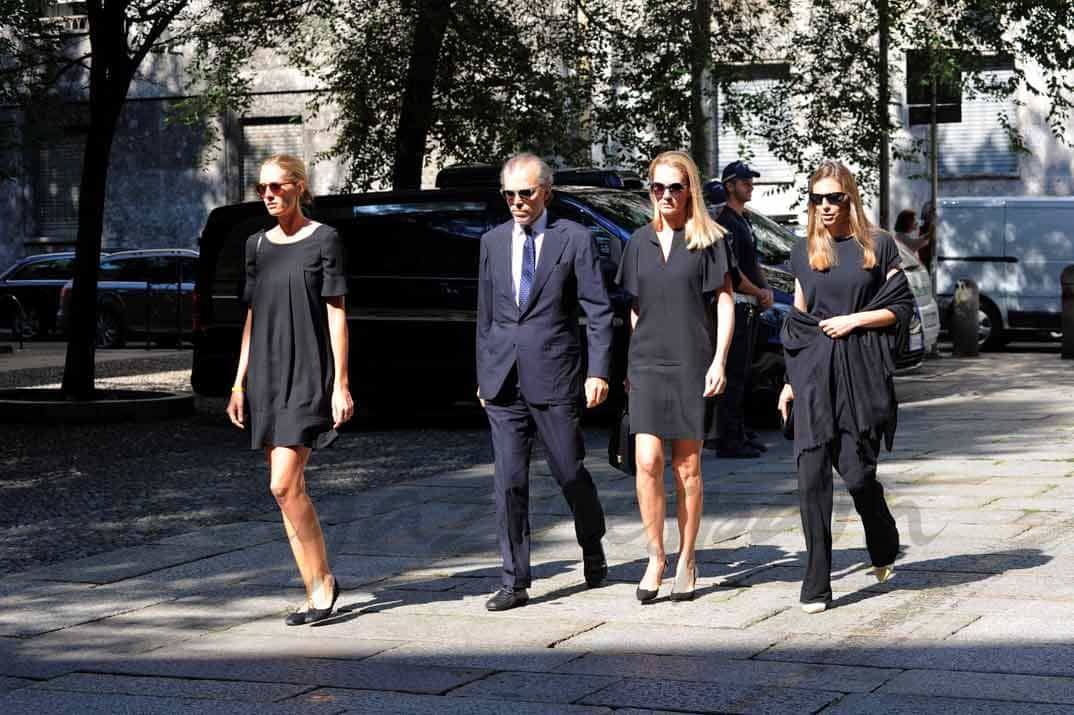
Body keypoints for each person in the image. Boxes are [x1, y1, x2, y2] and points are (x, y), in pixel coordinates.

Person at [476, 153, 613, 612]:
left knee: (570, 472)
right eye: (509, 194)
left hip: (555, 375)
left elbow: (597, 311)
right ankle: (514, 581)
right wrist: (483, 373)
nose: (517, 202)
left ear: (546, 192)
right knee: (509, 482)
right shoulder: (493, 242)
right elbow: (486, 315)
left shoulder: (572, 238)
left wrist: (598, 371)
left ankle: (592, 544)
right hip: (503, 381)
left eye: (526, 193)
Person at [777, 160, 915, 614]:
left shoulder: (878, 246)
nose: (826, 207)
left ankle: (882, 535)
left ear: (850, 197)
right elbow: (797, 321)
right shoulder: (803, 251)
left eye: (834, 197)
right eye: (817, 198)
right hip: (813, 372)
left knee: (857, 475)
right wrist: (789, 382)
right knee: (810, 477)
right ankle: (816, 584)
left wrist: (853, 320)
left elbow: (900, 306)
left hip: (859, 372)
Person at [226, 154, 353, 626]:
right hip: (264, 373)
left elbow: (336, 313)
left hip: (306, 372)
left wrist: (340, 383)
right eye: (262, 188)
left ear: (299, 187)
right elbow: (252, 316)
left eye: (278, 187)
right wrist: (239, 381)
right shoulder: (256, 245)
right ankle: (316, 587)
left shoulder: (325, 240)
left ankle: (322, 586)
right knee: (287, 491)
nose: (269, 195)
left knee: (282, 482)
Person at [616, 150, 735, 602]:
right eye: (658, 187)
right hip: (646, 362)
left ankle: (687, 559)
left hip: (692, 360)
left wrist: (719, 359)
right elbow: (634, 306)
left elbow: (725, 301)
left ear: (690, 191)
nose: (666, 195)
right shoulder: (637, 241)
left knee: (687, 465)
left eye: (675, 187)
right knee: (646, 460)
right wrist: (631, 361)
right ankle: (655, 557)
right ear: (650, 191)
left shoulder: (707, 239)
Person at [712, 160, 774, 459]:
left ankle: (740, 430)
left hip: (750, 304)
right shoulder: (725, 221)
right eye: (745, 181)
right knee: (733, 374)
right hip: (735, 304)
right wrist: (758, 290)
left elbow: (753, 262)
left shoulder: (744, 219)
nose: (750, 186)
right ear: (730, 186)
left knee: (744, 374)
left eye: (751, 181)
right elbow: (733, 273)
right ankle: (728, 437)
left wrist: (765, 288)